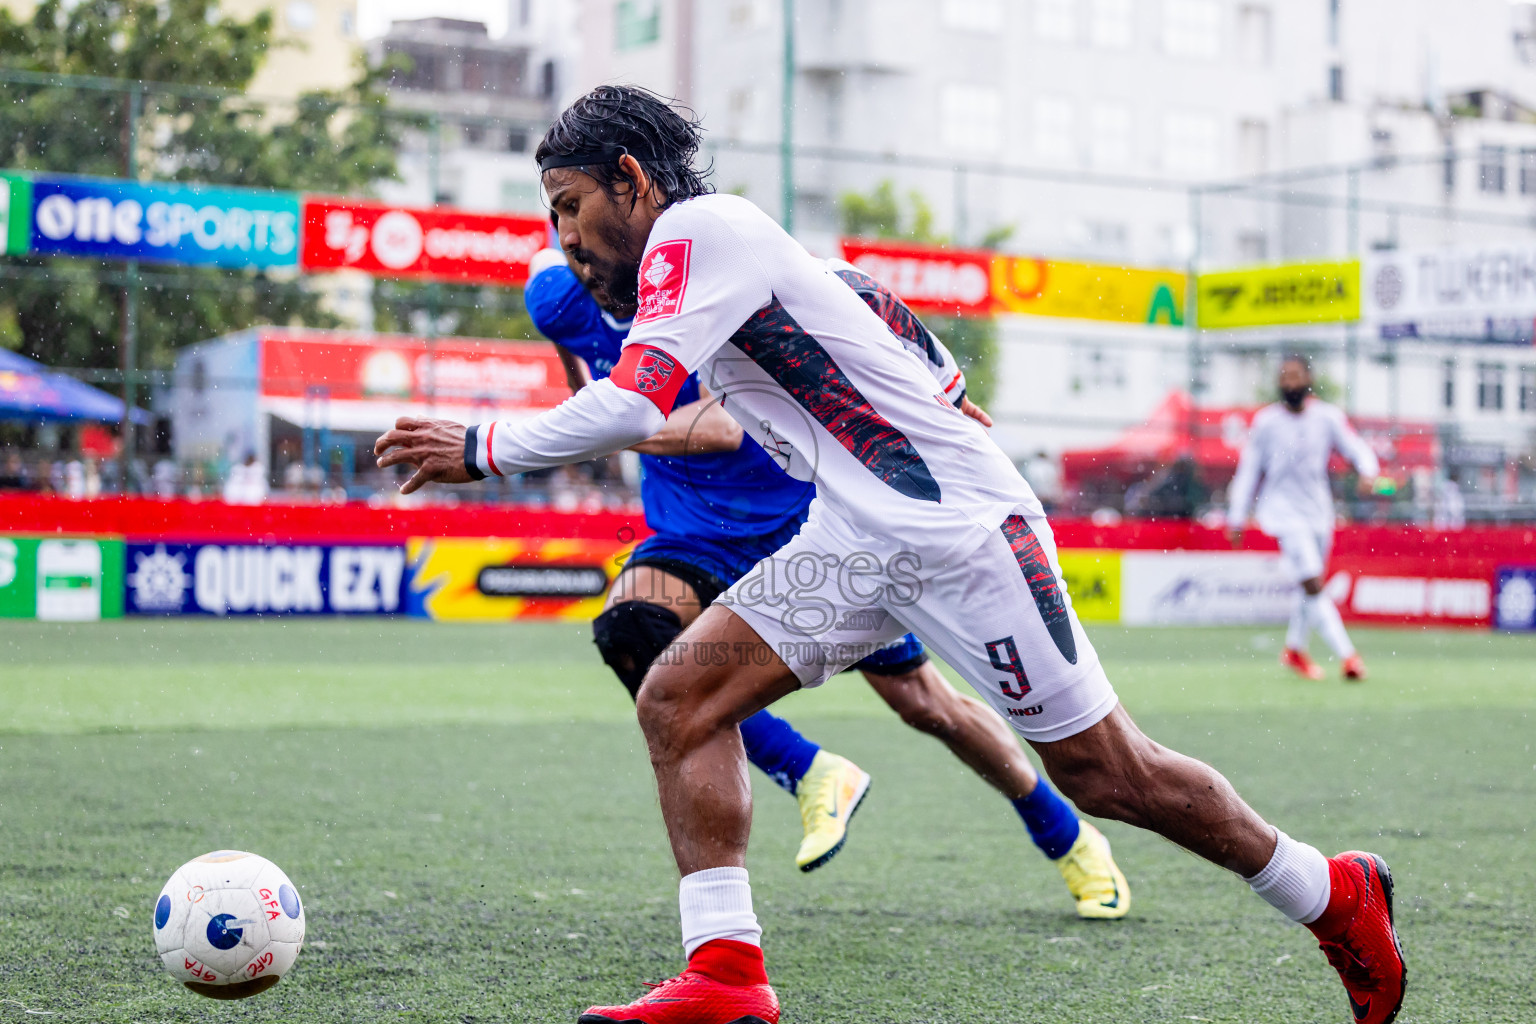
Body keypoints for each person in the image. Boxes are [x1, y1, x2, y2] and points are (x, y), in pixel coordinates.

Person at [377, 87, 1405, 1024]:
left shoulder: (697, 230)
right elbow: (904, 338)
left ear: (631, 183)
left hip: (965, 539)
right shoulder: (750, 260)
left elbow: (640, 396)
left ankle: (1329, 892)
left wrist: (482, 446)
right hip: (857, 540)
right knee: (677, 699)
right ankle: (726, 975)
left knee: (1107, 772)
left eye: (568, 205)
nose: (565, 237)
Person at [526, 245, 1130, 905]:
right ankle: (813, 772)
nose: (580, 239)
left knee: (926, 705)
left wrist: (591, 430)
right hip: (691, 532)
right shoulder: (556, 295)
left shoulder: (710, 276)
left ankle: (1068, 835)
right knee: (631, 630)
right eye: (563, 214)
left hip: (809, 527)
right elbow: (588, 389)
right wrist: (592, 418)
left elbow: (723, 428)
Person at [1227, 357, 1381, 682]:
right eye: (1284, 378)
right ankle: (1348, 656)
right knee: (1312, 583)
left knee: (1311, 587)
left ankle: (1294, 649)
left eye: (1296, 376)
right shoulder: (1266, 422)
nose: (1290, 383)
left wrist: (1369, 472)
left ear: (1308, 379)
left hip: (1319, 514)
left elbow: (1356, 448)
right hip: (1283, 514)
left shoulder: (1327, 417)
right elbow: (1249, 470)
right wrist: (1236, 515)